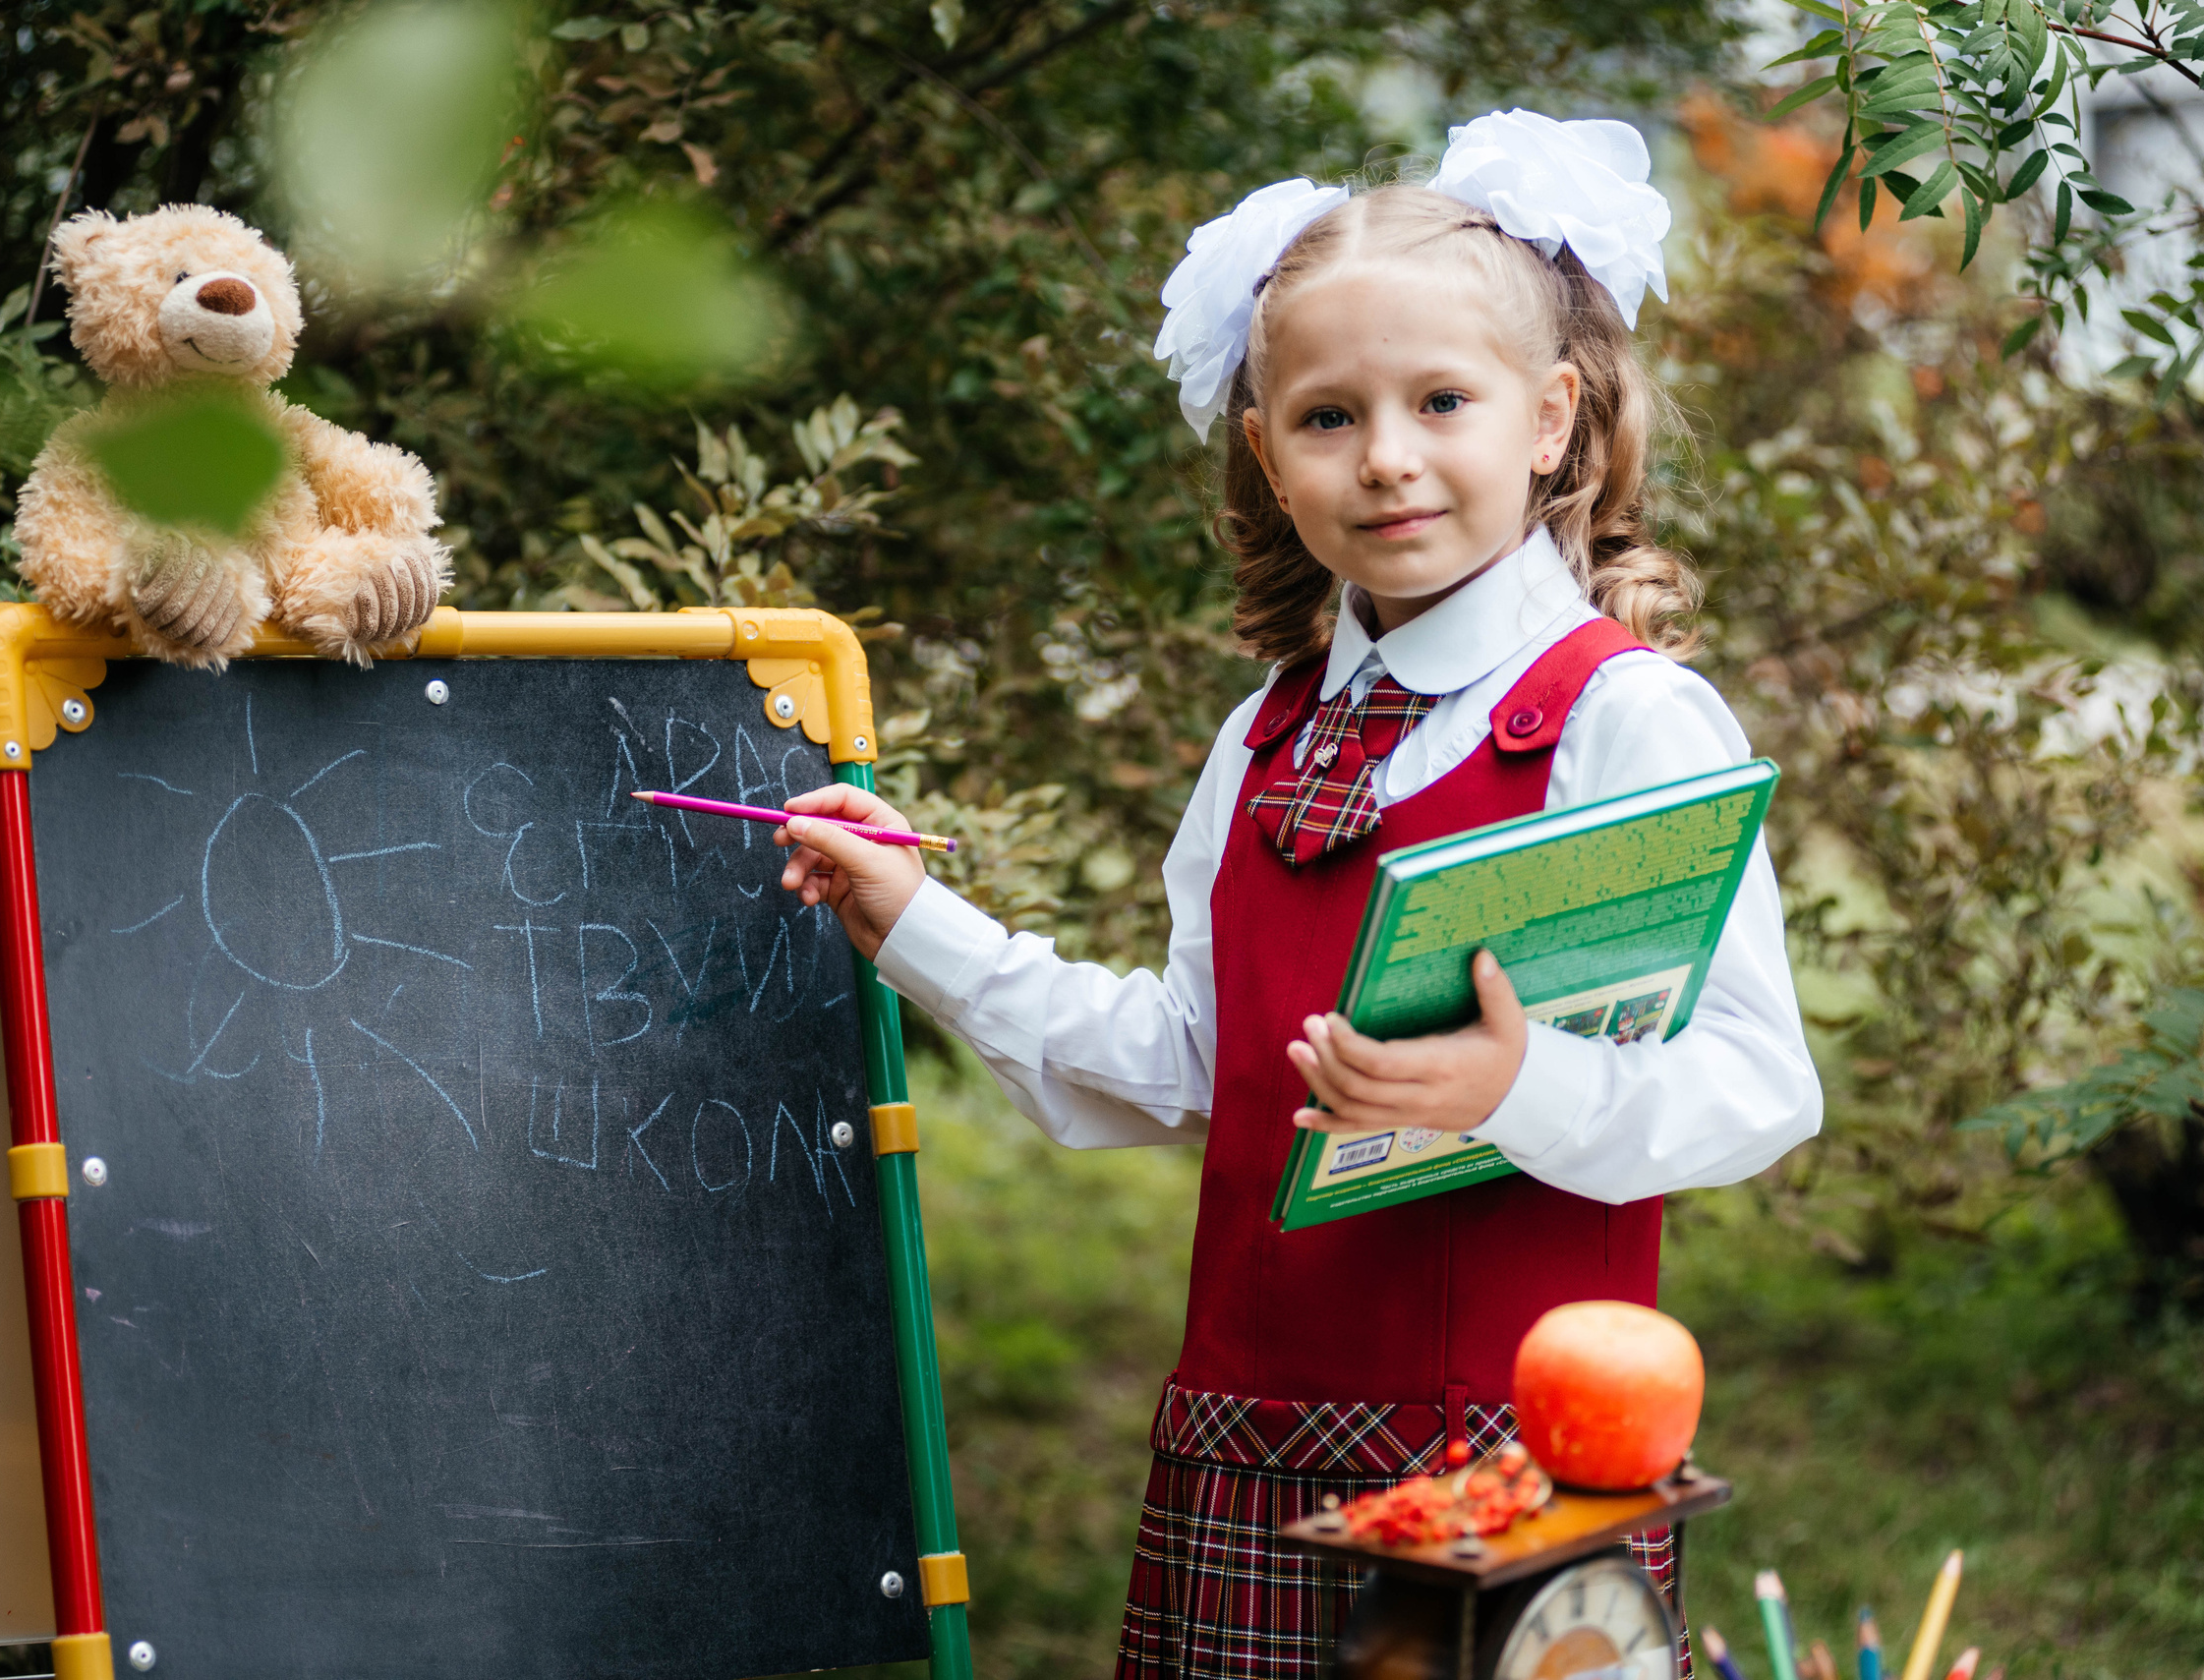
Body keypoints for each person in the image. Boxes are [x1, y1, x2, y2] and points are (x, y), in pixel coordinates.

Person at [775, 109, 1823, 1679]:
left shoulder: (1622, 720)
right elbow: (1198, 1066)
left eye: (1442, 401)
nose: (1387, 455)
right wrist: (917, 924)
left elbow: (1758, 1083)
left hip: (1514, 1473)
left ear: (1550, 419)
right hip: (1246, 1461)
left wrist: (1516, 1084)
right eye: (1330, 415)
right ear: (1268, 453)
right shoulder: (1263, 738)